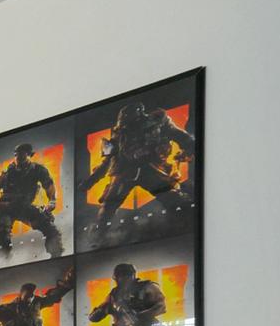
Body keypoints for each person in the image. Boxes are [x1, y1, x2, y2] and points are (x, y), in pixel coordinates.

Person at [79, 100, 195, 234]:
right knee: (108, 207)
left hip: (149, 169)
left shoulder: (157, 123)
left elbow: (182, 137)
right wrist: (89, 182)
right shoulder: (119, 134)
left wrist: (189, 149)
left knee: (172, 198)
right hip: (124, 173)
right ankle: (99, 235)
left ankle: (187, 224)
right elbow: (107, 162)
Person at [0, 142, 64, 257]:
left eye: (22, 154)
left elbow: (49, 185)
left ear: (29, 155)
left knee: (49, 228)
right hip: (6, 208)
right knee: (1, 234)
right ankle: (3, 259)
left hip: (24, 207)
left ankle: (57, 257)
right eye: (16, 155)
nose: (18, 157)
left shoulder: (37, 170)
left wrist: (52, 201)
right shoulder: (8, 174)